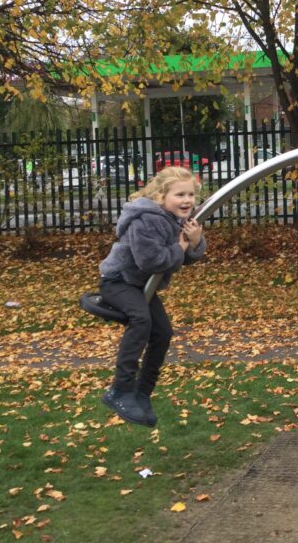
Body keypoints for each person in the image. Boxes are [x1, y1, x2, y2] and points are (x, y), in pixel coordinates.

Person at [97, 166, 206, 427]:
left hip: (139, 285)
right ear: (160, 196)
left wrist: (194, 242)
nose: (187, 200)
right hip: (118, 281)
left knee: (163, 332)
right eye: (180, 194)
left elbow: (182, 258)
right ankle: (121, 389)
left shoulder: (173, 219)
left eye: (191, 195)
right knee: (141, 320)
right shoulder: (145, 220)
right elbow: (152, 261)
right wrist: (181, 246)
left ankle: (142, 392)